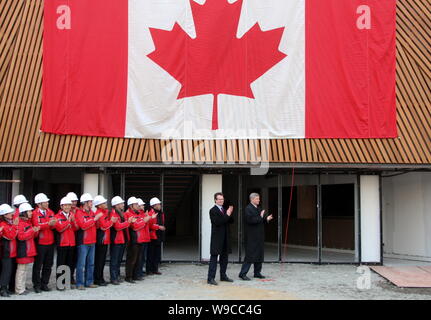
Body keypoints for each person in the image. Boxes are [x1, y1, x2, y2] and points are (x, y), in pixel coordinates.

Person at [239, 193, 273, 281]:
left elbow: (261, 220)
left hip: (259, 236)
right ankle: (242, 274)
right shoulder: (248, 209)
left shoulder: (258, 208)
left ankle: (257, 273)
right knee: (250, 255)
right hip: (251, 236)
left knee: (259, 254)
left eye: (259, 199)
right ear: (252, 199)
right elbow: (250, 220)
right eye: (257, 199)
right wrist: (261, 217)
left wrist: (266, 219)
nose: (259, 200)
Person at [75, 193, 104, 290]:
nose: (92, 203)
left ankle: (89, 282)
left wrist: (97, 220)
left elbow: (95, 226)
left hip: (92, 241)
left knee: (91, 263)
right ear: (85, 203)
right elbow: (83, 226)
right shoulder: (79, 213)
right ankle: (79, 283)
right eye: (90, 201)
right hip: (83, 242)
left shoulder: (91, 212)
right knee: (81, 264)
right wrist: (95, 219)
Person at [207, 192, 234, 285]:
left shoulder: (224, 209)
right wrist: (227, 215)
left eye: (222, 199)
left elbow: (231, 221)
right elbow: (218, 222)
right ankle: (210, 278)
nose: (221, 201)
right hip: (217, 238)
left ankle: (223, 276)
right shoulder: (213, 210)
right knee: (214, 258)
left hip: (226, 238)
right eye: (219, 199)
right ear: (215, 200)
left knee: (224, 259)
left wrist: (230, 213)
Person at [32, 193, 57, 293]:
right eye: (45, 202)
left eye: (47, 201)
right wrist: (48, 224)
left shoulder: (50, 212)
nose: (47, 203)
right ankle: (36, 285)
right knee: (38, 265)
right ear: (39, 204)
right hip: (40, 242)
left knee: (48, 264)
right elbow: (37, 225)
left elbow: (53, 224)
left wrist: (52, 224)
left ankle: (44, 284)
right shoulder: (35, 213)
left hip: (50, 242)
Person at [54, 196, 78, 290]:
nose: (68, 207)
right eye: (66, 205)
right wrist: (68, 221)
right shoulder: (57, 216)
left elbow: (76, 228)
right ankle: (60, 284)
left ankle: (66, 282)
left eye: (69, 205)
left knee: (69, 264)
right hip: (62, 243)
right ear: (61, 206)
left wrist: (73, 222)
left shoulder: (72, 215)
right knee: (61, 264)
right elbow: (59, 228)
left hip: (71, 243)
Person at [15, 203, 39, 295]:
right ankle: (19, 289)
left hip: (27, 249)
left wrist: (34, 231)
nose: (31, 213)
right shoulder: (21, 223)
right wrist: (32, 230)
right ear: (24, 212)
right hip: (23, 249)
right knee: (21, 270)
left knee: (24, 270)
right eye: (29, 211)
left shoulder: (27, 222)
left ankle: (22, 287)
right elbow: (21, 237)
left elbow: (30, 235)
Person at [93, 195, 116, 286]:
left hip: (104, 239)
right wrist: (112, 221)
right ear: (99, 205)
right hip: (101, 240)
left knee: (101, 261)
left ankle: (100, 278)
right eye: (104, 203)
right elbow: (103, 226)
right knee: (99, 261)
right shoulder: (100, 213)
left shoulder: (104, 212)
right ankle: (98, 279)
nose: (106, 204)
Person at [124, 197, 147, 283]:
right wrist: (143, 221)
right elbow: (135, 226)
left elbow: (139, 224)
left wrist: (141, 222)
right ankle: (128, 276)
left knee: (138, 259)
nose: (138, 206)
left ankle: (135, 275)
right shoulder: (128, 214)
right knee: (132, 259)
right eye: (136, 204)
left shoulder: (136, 214)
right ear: (131, 206)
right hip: (133, 240)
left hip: (139, 239)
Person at [109, 196, 131, 285]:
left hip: (121, 239)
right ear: (116, 205)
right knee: (114, 260)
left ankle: (116, 276)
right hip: (116, 240)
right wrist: (128, 222)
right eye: (121, 203)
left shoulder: (120, 213)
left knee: (118, 260)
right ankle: (113, 278)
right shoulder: (113, 214)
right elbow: (117, 227)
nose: (123, 205)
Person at [0, 204, 19, 297]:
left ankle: (5, 288)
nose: (12, 214)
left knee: (8, 270)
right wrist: (15, 226)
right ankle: (3, 289)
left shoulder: (8, 222)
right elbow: (10, 236)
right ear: (4, 215)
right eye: (9, 212)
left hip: (10, 251)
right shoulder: (3, 224)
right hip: (6, 252)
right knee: (6, 271)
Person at [146, 197, 166, 275]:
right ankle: (149, 270)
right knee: (151, 254)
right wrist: (158, 227)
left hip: (159, 235)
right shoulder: (150, 213)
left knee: (157, 254)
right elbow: (149, 225)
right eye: (158, 204)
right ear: (154, 205)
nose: (160, 205)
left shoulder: (161, 213)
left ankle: (155, 269)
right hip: (152, 236)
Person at [66, 192, 79, 284]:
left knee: (75, 258)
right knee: (67, 259)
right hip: (68, 237)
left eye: (75, 201)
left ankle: (71, 276)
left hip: (78, 236)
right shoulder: (65, 212)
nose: (74, 203)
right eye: (72, 201)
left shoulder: (79, 210)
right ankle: (65, 278)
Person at [136, 198, 151, 279]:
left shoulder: (142, 214)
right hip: (141, 239)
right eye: (142, 205)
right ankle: (138, 272)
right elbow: (140, 226)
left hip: (145, 238)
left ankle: (140, 271)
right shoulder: (139, 214)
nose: (143, 206)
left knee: (142, 257)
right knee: (140, 257)